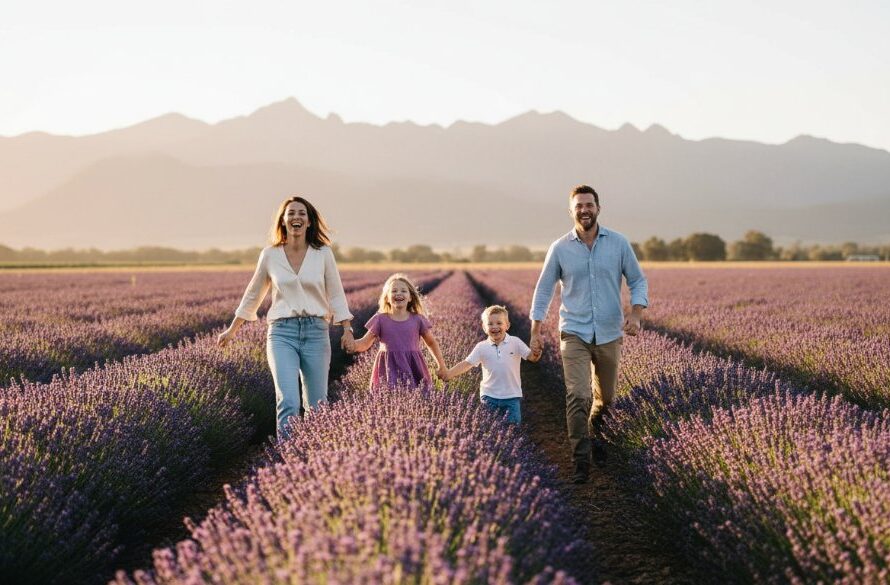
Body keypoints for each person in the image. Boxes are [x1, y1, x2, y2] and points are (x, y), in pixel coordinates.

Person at [530, 184, 648, 484]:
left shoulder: (619, 243)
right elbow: (544, 290)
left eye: (589, 205)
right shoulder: (560, 248)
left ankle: (597, 429)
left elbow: (637, 280)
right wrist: (535, 331)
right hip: (574, 332)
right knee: (578, 395)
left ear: (598, 207)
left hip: (609, 332)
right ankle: (581, 460)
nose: (584, 210)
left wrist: (635, 314)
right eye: (579, 205)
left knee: (605, 399)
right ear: (571, 211)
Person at [217, 195, 354, 439]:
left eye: (301, 213)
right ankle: (288, 460)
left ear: (310, 221)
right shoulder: (270, 254)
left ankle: (316, 459)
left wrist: (347, 329)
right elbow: (253, 293)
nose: (296, 217)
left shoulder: (323, 254)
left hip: (316, 332)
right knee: (288, 401)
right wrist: (232, 329)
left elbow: (336, 293)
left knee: (318, 406)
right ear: (283, 220)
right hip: (282, 333)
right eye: (291, 213)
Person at [443, 305, 541, 424]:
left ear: (507, 326)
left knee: (513, 428)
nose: (495, 327)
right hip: (489, 397)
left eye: (499, 323)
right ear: (484, 328)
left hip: (511, 397)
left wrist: (536, 353)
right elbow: (467, 363)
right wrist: (449, 374)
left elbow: (531, 357)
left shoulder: (515, 342)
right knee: (489, 429)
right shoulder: (481, 347)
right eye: (490, 324)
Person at [349, 273, 447, 389]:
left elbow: (431, 342)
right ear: (387, 298)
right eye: (394, 291)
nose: (398, 293)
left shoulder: (418, 319)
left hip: (412, 365)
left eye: (403, 291)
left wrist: (441, 365)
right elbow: (365, 343)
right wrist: (352, 344)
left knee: (416, 397)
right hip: (388, 368)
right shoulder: (380, 319)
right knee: (388, 397)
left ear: (410, 297)